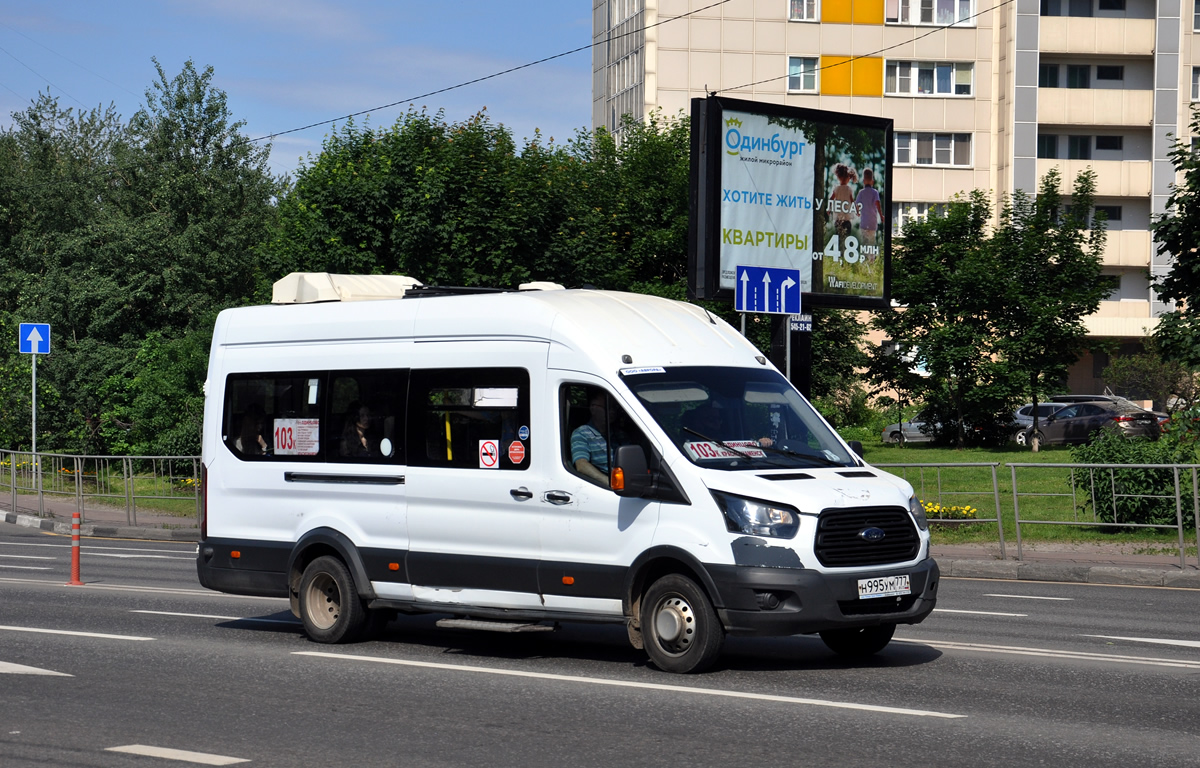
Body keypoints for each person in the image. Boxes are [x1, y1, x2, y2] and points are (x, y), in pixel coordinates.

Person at [571, 392, 612, 487]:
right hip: (602, 486)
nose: (612, 412)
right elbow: (581, 465)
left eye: (614, 408)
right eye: (607, 408)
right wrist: (609, 482)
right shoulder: (581, 433)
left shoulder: (619, 433)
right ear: (593, 408)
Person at [854, 167, 883, 268]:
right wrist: (881, 215)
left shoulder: (861, 192)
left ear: (863, 181)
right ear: (872, 181)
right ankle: (871, 263)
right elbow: (877, 204)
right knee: (871, 243)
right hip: (872, 222)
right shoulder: (875, 192)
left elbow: (856, 204)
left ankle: (864, 262)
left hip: (864, 223)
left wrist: (857, 212)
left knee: (864, 243)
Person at [830, 163, 858, 243]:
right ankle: (842, 251)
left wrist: (829, 208)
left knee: (839, 237)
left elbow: (831, 199)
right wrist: (857, 210)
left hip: (839, 218)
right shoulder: (848, 189)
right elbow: (853, 201)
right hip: (846, 218)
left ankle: (841, 252)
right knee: (845, 237)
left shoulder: (837, 188)